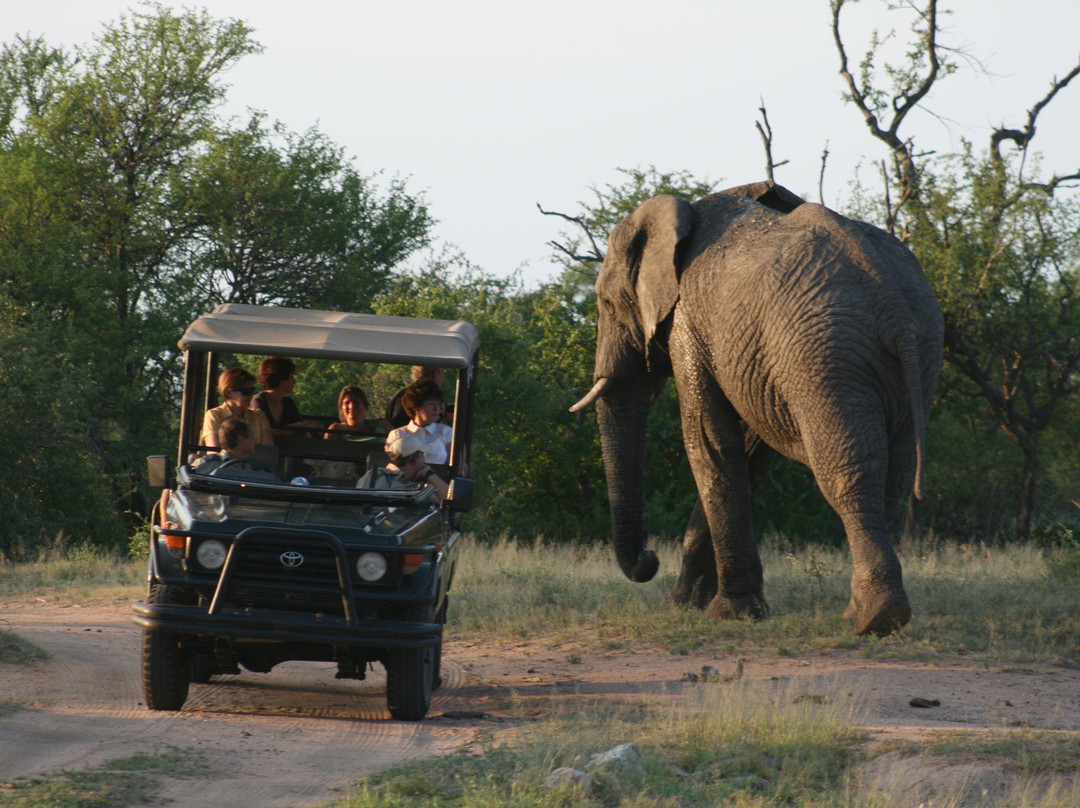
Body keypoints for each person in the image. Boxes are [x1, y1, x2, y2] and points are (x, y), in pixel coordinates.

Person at [356, 433, 448, 503]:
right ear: (412, 459)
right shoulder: (374, 477)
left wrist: (430, 475)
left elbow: (448, 500)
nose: (424, 461)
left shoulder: (419, 484)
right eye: (422, 456)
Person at [201, 367, 273, 447]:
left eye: (253, 390)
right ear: (229, 392)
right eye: (246, 392)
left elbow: (267, 450)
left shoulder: (258, 415)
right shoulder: (214, 415)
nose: (251, 395)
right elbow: (214, 451)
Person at [385, 379, 452, 465]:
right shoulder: (397, 435)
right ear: (417, 407)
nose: (436, 409)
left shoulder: (447, 432)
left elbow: (453, 465)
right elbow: (393, 466)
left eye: (438, 404)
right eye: (431, 404)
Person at [252, 356, 320, 435]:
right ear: (281, 379)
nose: (294, 381)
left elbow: (301, 430)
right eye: (291, 377)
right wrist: (301, 425)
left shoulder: (287, 402)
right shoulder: (259, 401)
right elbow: (266, 432)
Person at [192, 418, 257, 475]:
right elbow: (188, 480)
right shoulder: (209, 464)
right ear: (241, 439)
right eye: (252, 437)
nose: (255, 441)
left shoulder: (254, 468)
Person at [325, 386, 393, 439]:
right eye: (347, 402)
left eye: (356, 402)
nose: (351, 406)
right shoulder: (336, 429)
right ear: (341, 408)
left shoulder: (382, 425)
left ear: (365, 405)